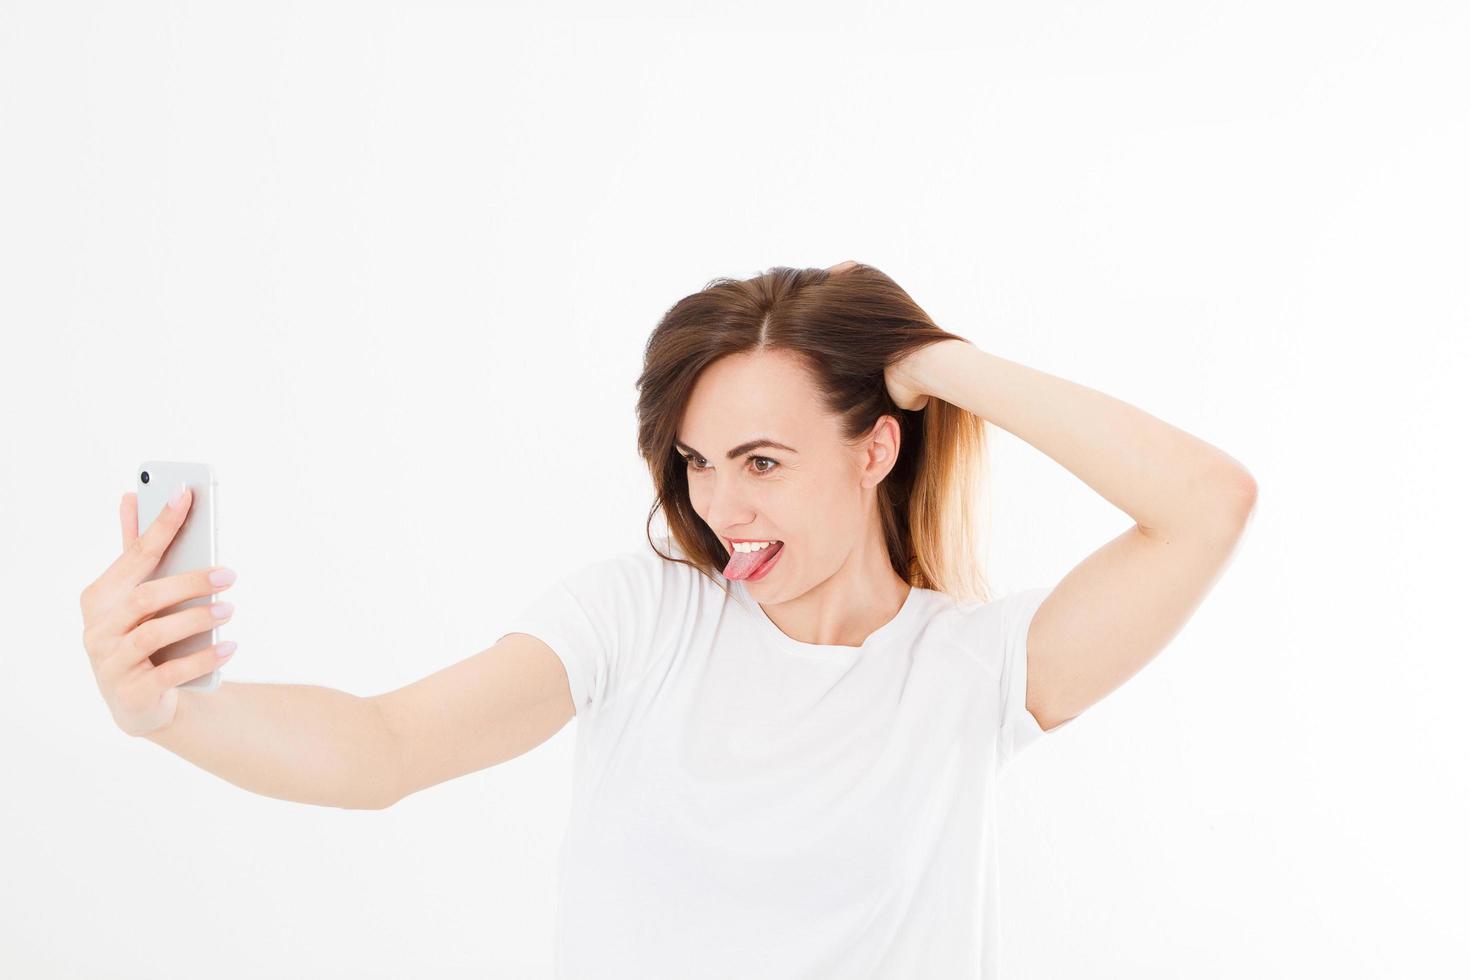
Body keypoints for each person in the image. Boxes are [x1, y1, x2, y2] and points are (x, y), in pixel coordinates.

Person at [79, 260, 1256, 978]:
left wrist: (935, 359)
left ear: (877, 447)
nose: (718, 503)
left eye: (761, 459)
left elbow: (1206, 503)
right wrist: (172, 709)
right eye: (696, 460)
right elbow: (388, 746)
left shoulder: (972, 666)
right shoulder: (641, 616)